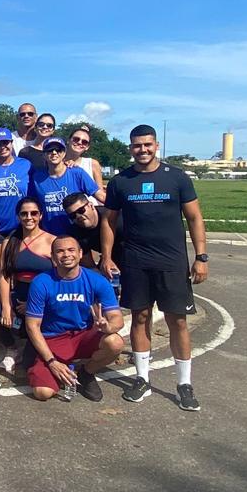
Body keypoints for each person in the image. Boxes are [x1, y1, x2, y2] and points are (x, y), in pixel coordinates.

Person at [100, 124, 208, 411]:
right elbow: (109, 221)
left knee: (178, 322)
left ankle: (184, 384)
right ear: (130, 148)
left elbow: (195, 218)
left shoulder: (177, 177)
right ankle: (142, 379)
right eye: (137, 145)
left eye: (147, 145)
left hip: (171, 261)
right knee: (140, 317)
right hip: (136, 261)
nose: (142, 150)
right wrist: (107, 256)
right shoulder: (122, 181)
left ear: (156, 146)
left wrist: (201, 256)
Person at [25, 235, 125, 401]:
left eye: (71, 250)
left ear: (80, 253)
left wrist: (108, 327)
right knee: (42, 393)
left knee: (115, 342)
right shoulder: (41, 282)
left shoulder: (97, 281)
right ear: (53, 257)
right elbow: (32, 326)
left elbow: (117, 319)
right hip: (53, 338)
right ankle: (62, 370)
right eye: (60, 251)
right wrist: (52, 362)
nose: (66, 255)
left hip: (83, 335)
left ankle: (86, 373)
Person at [0, 197, 55, 372]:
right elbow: (3, 276)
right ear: (18, 216)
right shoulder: (9, 241)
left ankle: (33, 349)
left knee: (29, 365)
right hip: (19, 292)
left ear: (41, 215)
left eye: (34, 213)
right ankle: (13, 347)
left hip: (44, 297)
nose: (29, 217)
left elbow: (59, 278)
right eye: (24, 214)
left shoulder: (52, 241)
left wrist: (34, 304)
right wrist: (7, 306)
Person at [28, 137, 105, 236]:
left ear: (64, 153)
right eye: (49, 150)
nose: (54, 152)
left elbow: (101, 196)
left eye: (58, 150)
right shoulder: (37, 178)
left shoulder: (77, 173)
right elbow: (31, 204)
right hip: (49, 234)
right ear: (44, 155)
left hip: (78, 233)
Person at [0, 127, 31, 279]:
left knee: (18, 267)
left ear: (11, 143)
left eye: (6, 143)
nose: (2, 147)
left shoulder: (25, 165)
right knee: (0, 269)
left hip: (19, 226)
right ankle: (2, 301)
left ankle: (17, 300)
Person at [63, 192, 122, 269]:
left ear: (91, 206)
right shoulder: (75, 232)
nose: (78, 216)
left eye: (81, 210)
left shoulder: (114, 218)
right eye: (72, 215)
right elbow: (89, 265)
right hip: (107, 259)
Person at [65, 124, 104, 204]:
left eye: (84, 142)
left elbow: (100, 193)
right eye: (76, 139)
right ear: (69, 140)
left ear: (87, 147)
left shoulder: (93, 163)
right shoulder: (58, 163)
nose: (79, 143)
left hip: (92, 208)